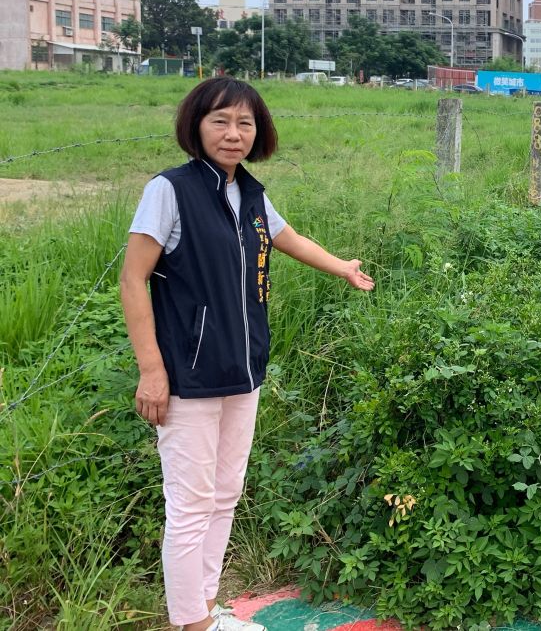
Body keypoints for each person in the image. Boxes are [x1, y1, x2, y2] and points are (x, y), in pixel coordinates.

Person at [119, 77, 375, 631]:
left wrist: (342, 267)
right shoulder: (171, 190)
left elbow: (287, 238)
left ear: (258, 131)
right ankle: (192, 623)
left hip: (243, 370)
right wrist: (151, 370)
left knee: (224, 494)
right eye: (221, 121)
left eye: (245, 123)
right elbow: (133, 279)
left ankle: (205, 611)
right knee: (189, 506)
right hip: (186, 375)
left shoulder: (249, 193)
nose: (234, 134)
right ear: (196, 125)